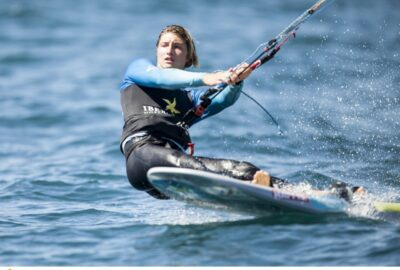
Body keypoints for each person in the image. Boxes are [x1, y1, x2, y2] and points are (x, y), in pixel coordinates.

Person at [119, 24, 363, 200]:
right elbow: (165, 78)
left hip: (172, 173)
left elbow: (223, 101)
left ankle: (322, 195)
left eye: (177, 47)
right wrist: (211, 77)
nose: (169, 50)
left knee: (246, 170)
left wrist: (237, 81)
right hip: (144, 156)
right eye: (164, 45)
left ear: (188, 57)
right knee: (214, 169)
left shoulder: (189, 99)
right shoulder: (138, 71)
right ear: (157, 50)